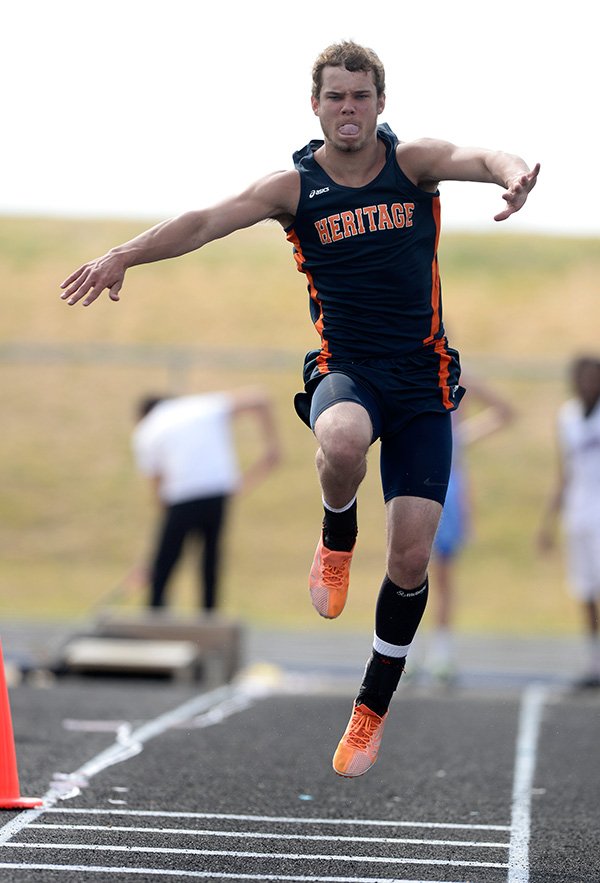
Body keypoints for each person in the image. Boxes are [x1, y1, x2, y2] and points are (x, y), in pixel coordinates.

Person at [60, 41, 539, 777]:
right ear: (315, 106)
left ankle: (370, 709)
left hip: (422, 380)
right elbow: (205, 219)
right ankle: (335, 535)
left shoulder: (412, 165)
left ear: (381, 103)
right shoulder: (295, 186)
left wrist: (513, 172)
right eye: (335, 97)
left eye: (361, 95)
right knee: (342, 440)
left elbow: (479, 157)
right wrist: (125, 253)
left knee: (412, 556)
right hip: (346, 368)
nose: (349, 108)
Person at [132, 388, 281, 611]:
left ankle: (155, 610)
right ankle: (209, 613)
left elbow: (157, 485)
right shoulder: (202, 406)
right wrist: (272, 448)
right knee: (211, 557)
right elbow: (260, 398)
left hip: (180, 494)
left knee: (166, 558)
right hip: (217, 490)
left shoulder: (147, 428)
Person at [426, 376, 514, 682]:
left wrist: (460, 438)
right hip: (413, 476)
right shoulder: (408, 370)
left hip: (447, 482)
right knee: (404, 568)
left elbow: (504, 411)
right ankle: (402, 651)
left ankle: (441, 654)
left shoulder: (455, 376)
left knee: (441, 574)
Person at [538, 356, 600, 689]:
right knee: (585, 589)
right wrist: (548, 522)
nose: (589, 383)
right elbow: (564, 474)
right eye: (583, 377)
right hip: (579, 512)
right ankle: (594, 663)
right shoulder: (568, 417)